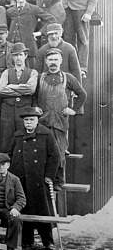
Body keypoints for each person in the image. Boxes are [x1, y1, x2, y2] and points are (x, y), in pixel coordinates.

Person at [7, 108, 60, 250]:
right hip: (20, 179)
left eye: (31, 120)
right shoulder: (18, 135)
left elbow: (55, 156)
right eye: (26, 120)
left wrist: (49, 176)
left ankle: (47, 241)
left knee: (42, 211)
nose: (28, 123)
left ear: (37, 121)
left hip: (39, 180)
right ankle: (26, 241)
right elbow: (9, 154)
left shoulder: (46, 134)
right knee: (23, 209)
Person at [34, 48, 87, 186]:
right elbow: (33, 96)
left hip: (60, 122)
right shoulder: (40, 77)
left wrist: (73, 110)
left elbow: (82, 94)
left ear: (61, 61)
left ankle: (58, 181)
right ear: (46, 61)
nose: (53, 62)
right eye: (50, 60)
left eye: (56, 59)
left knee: (59, 152)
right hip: (43, 121)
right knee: (41, 151)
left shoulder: (68, 78)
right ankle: (43, 180)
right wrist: (35, 107)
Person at [7, 0, 56, 68]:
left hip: (28, 47)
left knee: (31, 72)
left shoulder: (34, 9)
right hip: (13, 47)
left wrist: (39, 33)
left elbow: (51, 19)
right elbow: (7, 26)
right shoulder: (10, 11)